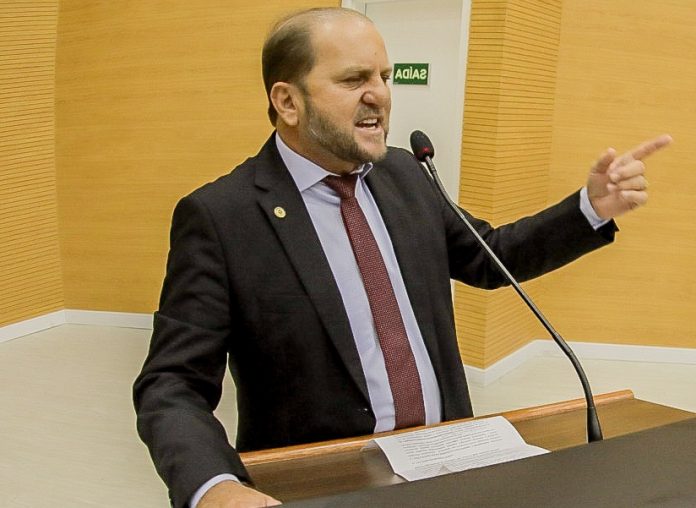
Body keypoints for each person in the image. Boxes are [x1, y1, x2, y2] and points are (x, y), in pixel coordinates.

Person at [133, 7, 671, 508]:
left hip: (450, 465)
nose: (380, 95)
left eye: (385, 77)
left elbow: (492, 257)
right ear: (288, 101)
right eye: (354, 80)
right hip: (324, 483)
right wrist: (216, 487)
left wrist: (588, 209)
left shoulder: (406, 174)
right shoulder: (221, 216)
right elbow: (172, 383)